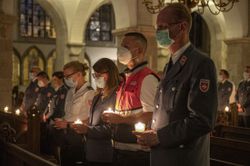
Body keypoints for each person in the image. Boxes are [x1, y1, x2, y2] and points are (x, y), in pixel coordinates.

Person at [133, 3, 217, 166]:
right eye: (157, 27)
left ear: (182, 27)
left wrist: (159, 136)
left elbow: (203, 120)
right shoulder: (170, 64)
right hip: (163, 155)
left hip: (183, 158)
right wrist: (152, 133)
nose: (158, 32)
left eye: (163, 26)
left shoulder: (200, 64)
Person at [102, 32, 159, 166]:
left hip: (136, 151)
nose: (120, 50)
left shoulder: (147, 78)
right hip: (119, 146)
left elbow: (151, 114)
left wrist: (121, 119)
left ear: (138, 50)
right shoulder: (126, 77)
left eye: (125, 46)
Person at [72, 58, 120, 166]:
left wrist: (87, 129)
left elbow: (113, 128)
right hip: (91, 151)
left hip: (106, 153)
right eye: (95, 75)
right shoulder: (97, 97)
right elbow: (92, 121)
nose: (96, 78)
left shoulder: (117, 96)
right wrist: (81, 126)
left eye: (99, 75)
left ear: (110, 73)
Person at [53, 61, 95, 166]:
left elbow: (90, 119)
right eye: (65, 77)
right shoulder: (70, 91)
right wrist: (62, 120)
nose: (66, 79)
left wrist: (67, 124)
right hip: (65, 133)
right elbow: (68, 113)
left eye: (68, 76)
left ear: (79, 74)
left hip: (79, 135)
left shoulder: (89, 93)